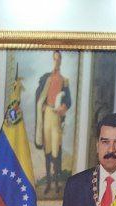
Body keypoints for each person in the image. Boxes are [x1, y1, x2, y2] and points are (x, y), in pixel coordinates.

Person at [33, 51, 73, 190]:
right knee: (47, 149)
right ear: (52, 60)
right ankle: (49, 183)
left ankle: (56, 182)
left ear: (61, 61)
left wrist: (63, 107)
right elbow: (39, 94)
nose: (56, 61)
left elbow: (68, 100)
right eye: (54, 59)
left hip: (56, 117)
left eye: (58, 59)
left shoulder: (64, 80)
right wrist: (42, 105)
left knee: (56, 149)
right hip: (47, 116)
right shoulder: (46, 78)